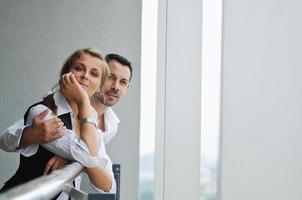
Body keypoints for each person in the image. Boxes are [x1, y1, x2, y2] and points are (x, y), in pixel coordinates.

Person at [0, 48, 115, 199]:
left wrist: (71, 159)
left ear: (100, 86)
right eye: (79, 68)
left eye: (94, 74)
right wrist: (83, 101)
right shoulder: (42, 112)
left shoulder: (91, 122)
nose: (85, 76)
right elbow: (88, 157)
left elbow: (108, 186)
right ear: (65, 74)